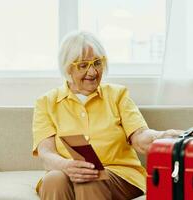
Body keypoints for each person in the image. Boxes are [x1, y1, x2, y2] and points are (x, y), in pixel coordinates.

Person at [32, 31, 183, 200]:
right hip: (67, 172)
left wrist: (162, 136)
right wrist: (67, 166)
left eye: (97, 63)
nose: (93, 72)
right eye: (83, 65)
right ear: (67, 69)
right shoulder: (46, 102)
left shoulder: (117, 95)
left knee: (89, 178)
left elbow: (139, 136)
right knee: (54, 179)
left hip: (120, 175)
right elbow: (46, 153)